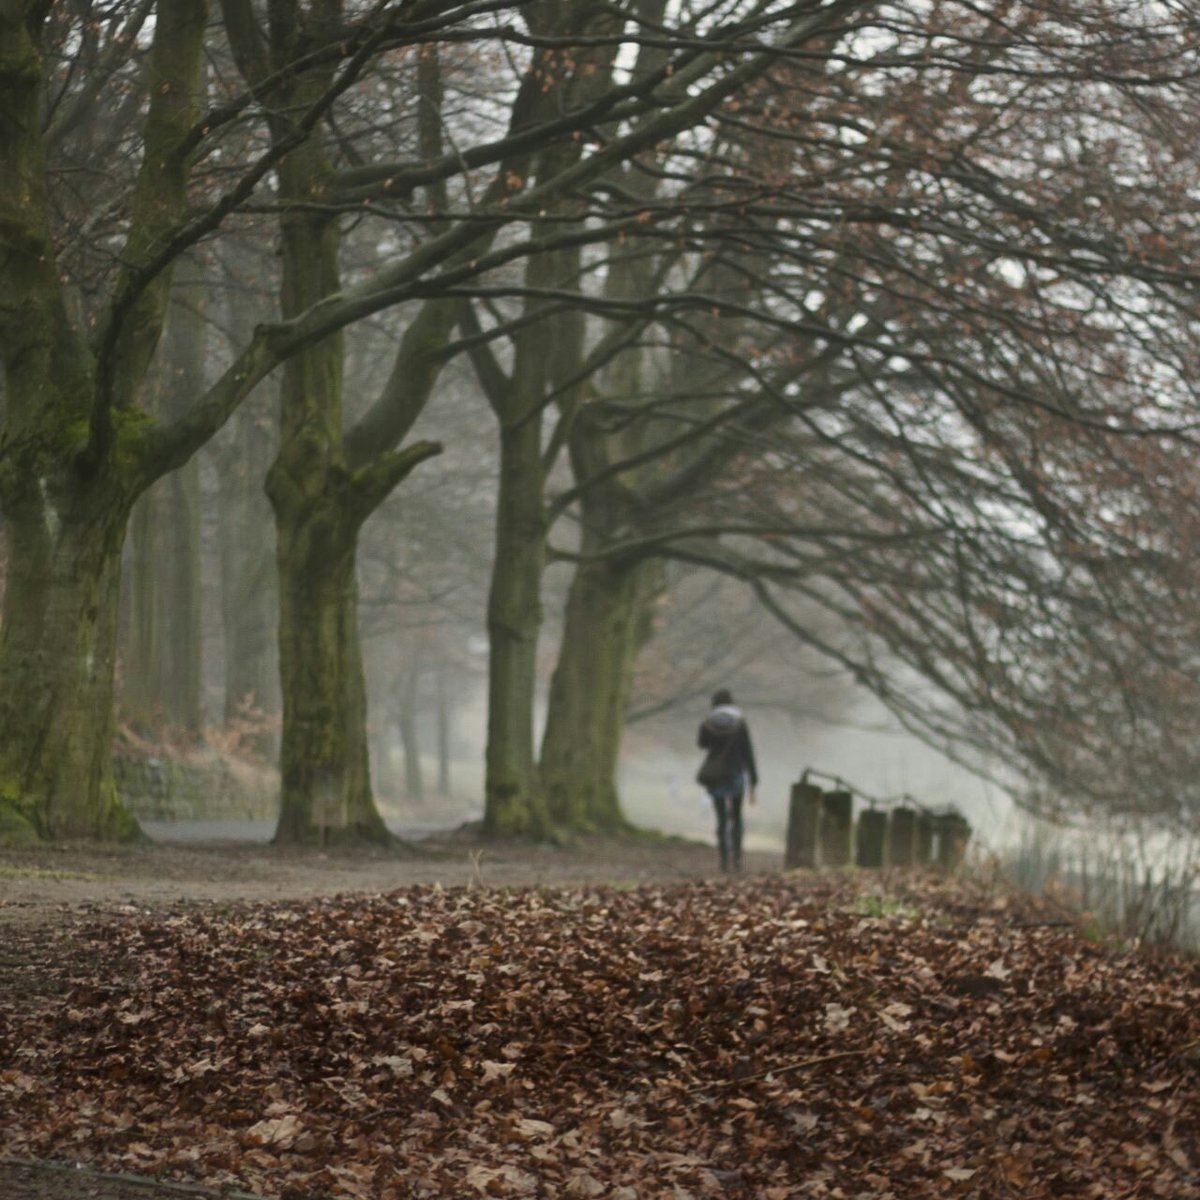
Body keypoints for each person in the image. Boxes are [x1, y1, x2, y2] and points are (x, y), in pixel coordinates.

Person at [696, 688, 758, 872]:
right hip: (735, 774)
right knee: (737, 817)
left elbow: (701, 744)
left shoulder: (708, 723)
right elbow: (748, 752)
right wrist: (753, 780)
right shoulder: (740, 722)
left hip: (716, 776)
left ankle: (723, 860)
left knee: (721, 818)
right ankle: (737, 859)